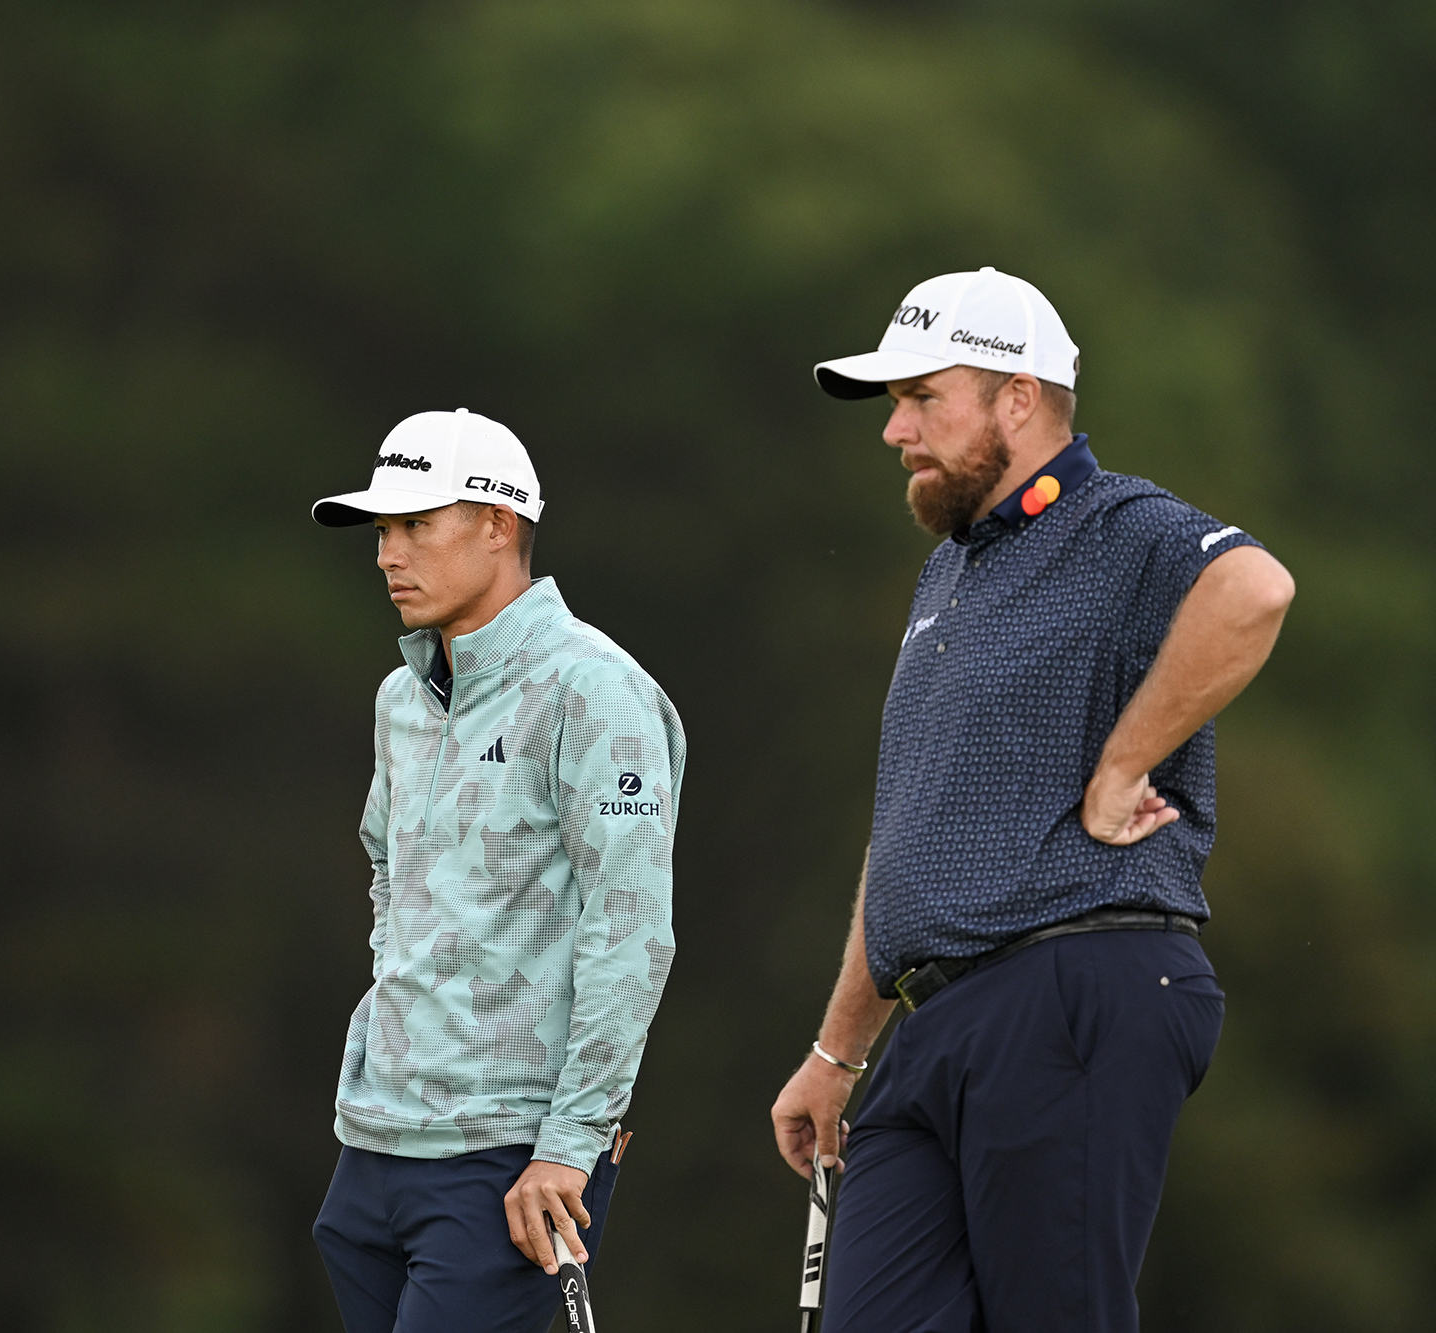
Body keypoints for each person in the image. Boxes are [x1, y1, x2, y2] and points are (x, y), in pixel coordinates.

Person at [772, 268, 1296, 1332]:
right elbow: (911, 823)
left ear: (1016, 398)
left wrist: (1122, 765)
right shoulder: (947, 572)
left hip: (1074, 982)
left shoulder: (1115, 521)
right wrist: (836, 1052)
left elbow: (1254, 588)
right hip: (935, 1025)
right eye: (895, 405)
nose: (896, 431)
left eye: (922, 399)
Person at [308, 408, 686, 1333]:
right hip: (373, 1146)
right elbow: (387, 868)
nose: (388, 554)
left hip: (512, 1156)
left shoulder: (596, 688)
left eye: (416, 524)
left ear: (497, 524)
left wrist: (571, 1141)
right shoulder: (400, 697)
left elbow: (632, 931)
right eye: (382, 530)